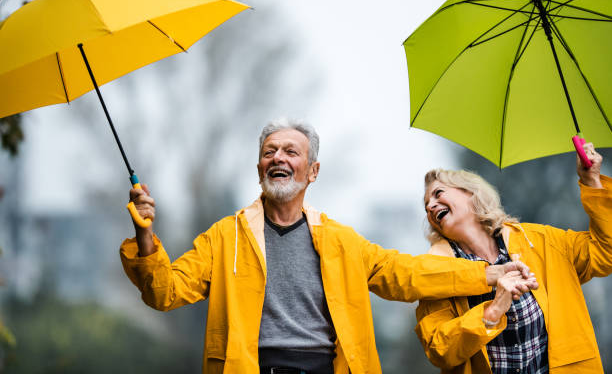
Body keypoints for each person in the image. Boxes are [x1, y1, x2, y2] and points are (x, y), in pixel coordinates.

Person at [120, 119, 534, 374]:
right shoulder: (224, 236)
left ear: (312, 170)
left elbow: (406, 274)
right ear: (259, 167)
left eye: (290, 151)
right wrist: (144, 234)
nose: (277, 157)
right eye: (269, 152)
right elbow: (164, 292)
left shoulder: (340, 241)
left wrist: (488, 272)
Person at [416, 143, 611, 373]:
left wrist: (592, 182)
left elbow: (604, 252)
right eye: (427, 203)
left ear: (470, 193)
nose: (430, 205)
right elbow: (440, 350)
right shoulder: (435, 274)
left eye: (438, 193)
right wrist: (493, 311)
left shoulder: (539, 241)